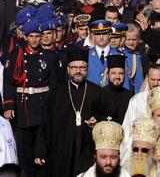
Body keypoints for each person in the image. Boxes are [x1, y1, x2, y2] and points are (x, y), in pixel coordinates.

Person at [35, 45, 108, 177]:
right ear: (68, 69)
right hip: (62, 150)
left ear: (87, 69)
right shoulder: (57, 92)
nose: (78, 71)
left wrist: (97, 119)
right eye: (74, 67)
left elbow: (108, 115)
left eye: (82, 68)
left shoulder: (96, 91)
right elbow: (46, 123)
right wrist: (40, 151)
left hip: (86, 149)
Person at [3, 15, 58, 176]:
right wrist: (8, 105)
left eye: (37, 36)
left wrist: (52, 109)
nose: (34, 40)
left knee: (41, 152)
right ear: (26, 37)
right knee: (25, 153)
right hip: (23, 108)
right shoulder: (17, 56)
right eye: (32, 36)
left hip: (42, 107)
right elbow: (9, 82)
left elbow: (54, 85)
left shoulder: (49, 57)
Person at [104, 55, 132, 123]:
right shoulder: (100, 93)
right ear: (108, 75)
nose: (117, 77)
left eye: (121, 73)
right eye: (113, 73)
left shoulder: (129, 95)